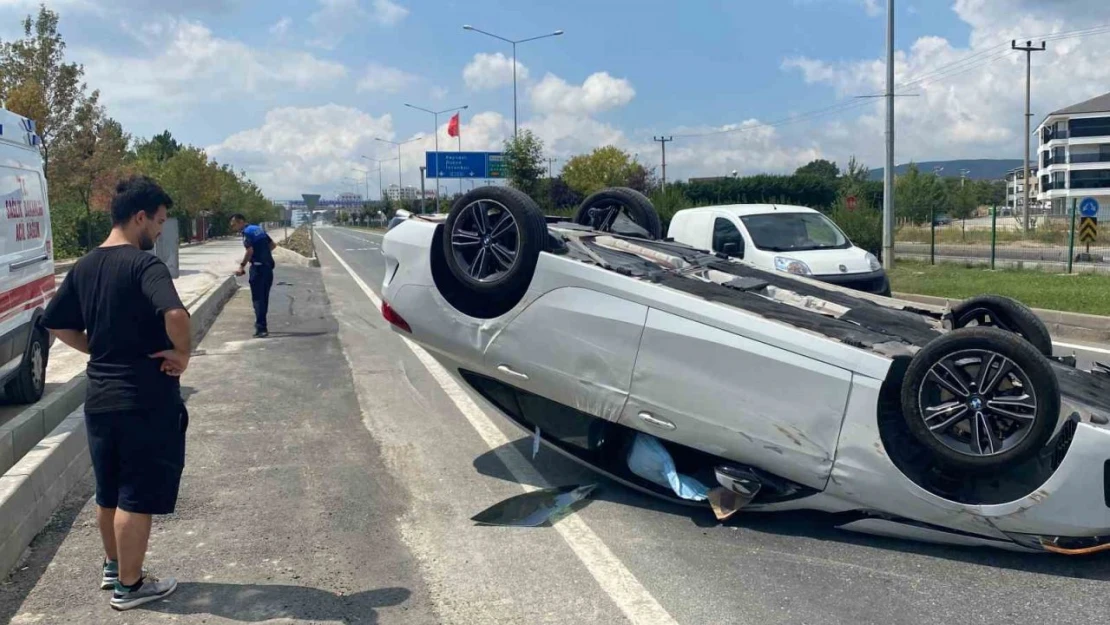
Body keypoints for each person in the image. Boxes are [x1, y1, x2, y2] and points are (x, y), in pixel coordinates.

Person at [42, 175, 189, 611]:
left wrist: (98, 347)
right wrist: (182, 354)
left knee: (107, 490)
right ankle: (131, 586)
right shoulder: (145, 266)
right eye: (159, 222)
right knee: (135, 494)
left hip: (101, 396)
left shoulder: (84, 266)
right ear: (140, 217)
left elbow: (56, 323)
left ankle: (112, 566)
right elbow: (176, 314)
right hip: (142, 398)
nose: (160, 231)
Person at [230, 214, 276, 338]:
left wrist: (242, 266)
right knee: (264, 298)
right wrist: (263, 254)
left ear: (240, 222)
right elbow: (272, 245)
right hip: (268, 268)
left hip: (258, 269)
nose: (233, 227)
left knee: (257, 299)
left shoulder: (247, 233)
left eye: (233, 224)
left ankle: (261, 328)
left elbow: (249, 251)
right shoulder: (258, 229)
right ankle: (262, 324)